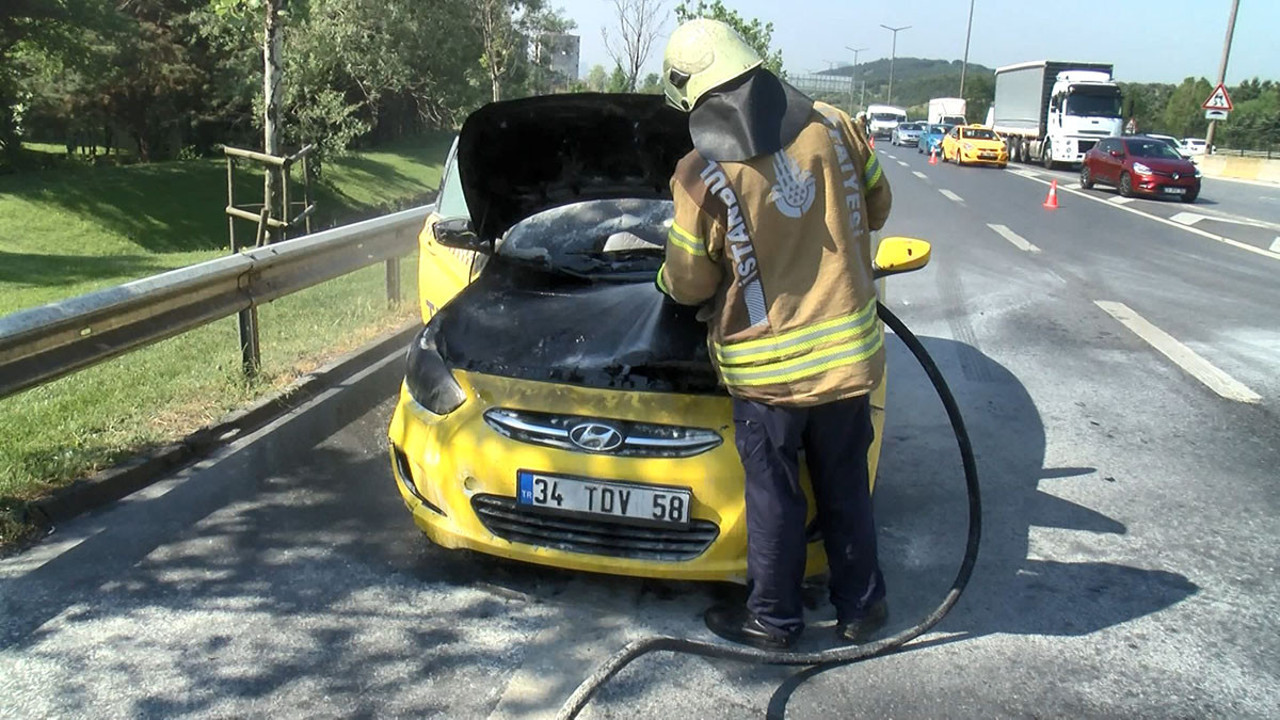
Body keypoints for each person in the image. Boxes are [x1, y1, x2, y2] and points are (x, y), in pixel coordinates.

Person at [656, 18, 893, 650]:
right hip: (848, 364)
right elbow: (878, 208)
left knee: (776, 499)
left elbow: (688, 285)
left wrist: (662, 273)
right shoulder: (836, 126)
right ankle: (862, 610)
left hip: (767, 379)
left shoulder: (696, 175)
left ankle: (775, 621)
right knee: (846, 485)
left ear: (691, 95)